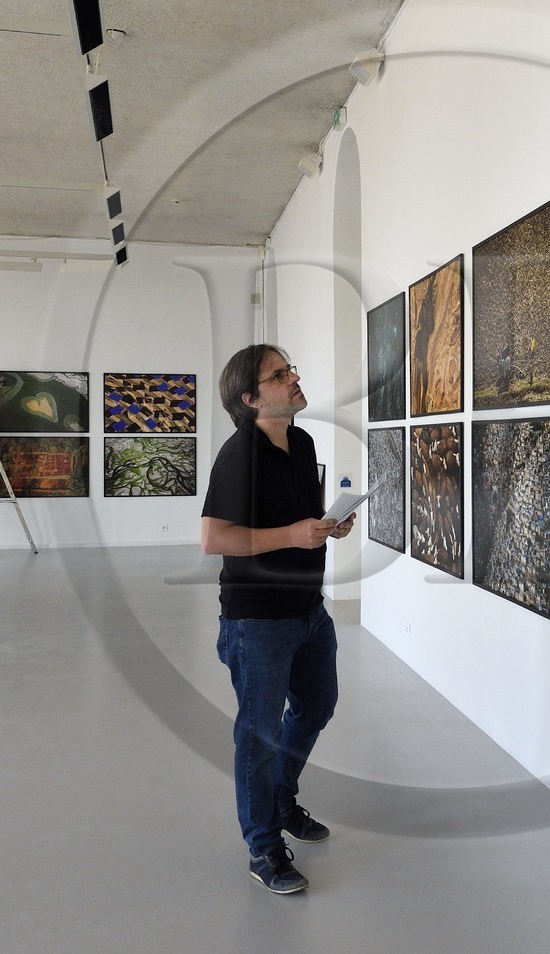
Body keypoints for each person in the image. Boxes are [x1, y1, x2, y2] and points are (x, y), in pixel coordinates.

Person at [201, 345, 355, 895]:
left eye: (290, 369)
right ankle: (263, 848)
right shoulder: (238, 455)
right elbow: (214, 538)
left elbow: (298, 520)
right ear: (250, 398)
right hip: (258, 620)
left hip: (308, 609)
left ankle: (281, 799)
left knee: (317, 706)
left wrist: (327, 525)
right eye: (279, 374)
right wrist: (293, 535)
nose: (293, 378)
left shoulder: (302, 442)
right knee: (259, 736)